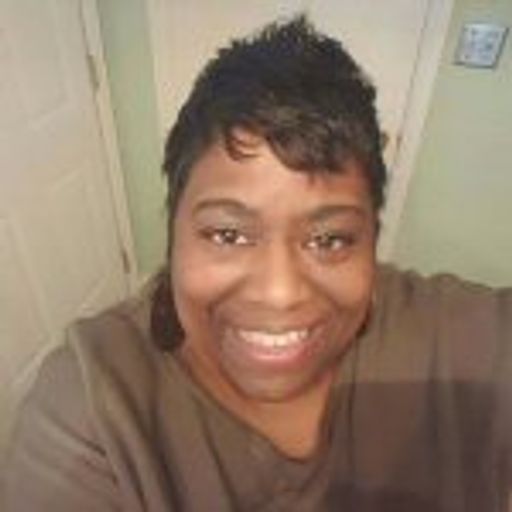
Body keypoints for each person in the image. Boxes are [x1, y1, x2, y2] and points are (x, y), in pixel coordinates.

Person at [3, 16, 512, 512]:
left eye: (330, 239)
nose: (279, 292)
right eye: (228, 234)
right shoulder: (95, 409)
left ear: (372, 243)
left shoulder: (459, 340)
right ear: (174, 235)